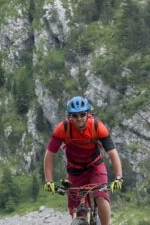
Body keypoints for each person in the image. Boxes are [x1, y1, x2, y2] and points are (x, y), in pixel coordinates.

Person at [43, 96, 124, 225]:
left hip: (95, 168)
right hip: (74, 172)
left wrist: (119, 177)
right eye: (75, 116)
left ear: (88, 114)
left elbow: (112, 153)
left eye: (82, 114)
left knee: (100, 196)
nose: (79, 118)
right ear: (70, 117)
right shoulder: (62, 129)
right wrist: (48, 181)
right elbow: (49, 155)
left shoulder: (97, 127)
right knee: (77, 210)